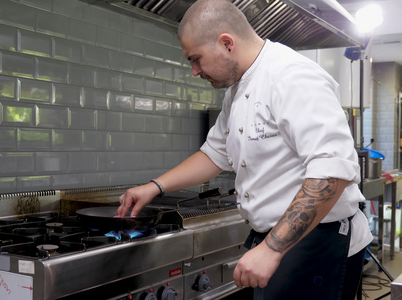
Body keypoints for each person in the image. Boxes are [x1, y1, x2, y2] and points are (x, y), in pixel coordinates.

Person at [117, 0, 373, 299]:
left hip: (320, 244)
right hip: (280, 239)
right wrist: (154, 187)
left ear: (227, 43)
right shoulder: (238, 89)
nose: (194, 72)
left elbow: (332, 173)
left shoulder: (292, 76)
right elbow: (214, 154)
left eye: (196, 59)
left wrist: (272, 248)